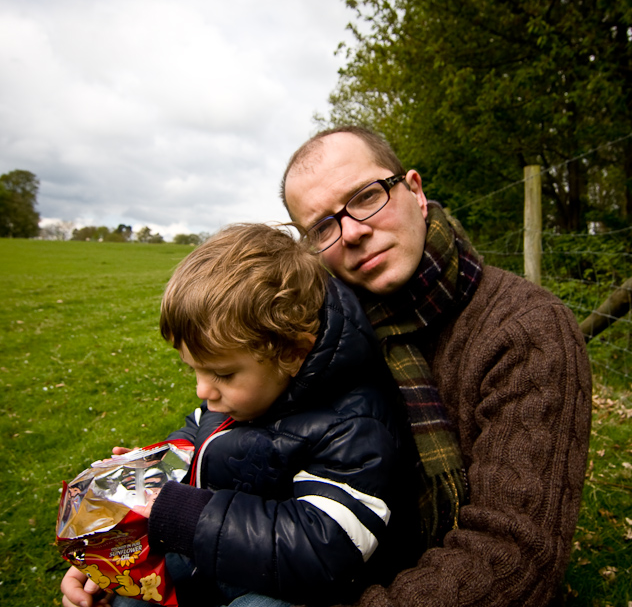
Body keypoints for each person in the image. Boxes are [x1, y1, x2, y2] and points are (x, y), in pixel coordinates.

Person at [280, 126, 593, 607]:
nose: (353, 232)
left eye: (366, 197)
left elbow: (512, 560)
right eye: (323, 226)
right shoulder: (323, 334)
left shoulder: (527, 330)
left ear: (416, 192)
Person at [61, 223, 423, 607]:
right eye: (193, 370)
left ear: (293, 353)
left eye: (223, 373)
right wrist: (149, 471)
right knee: (129, 595)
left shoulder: (353, 424)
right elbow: (197, 437)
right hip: (221, 557)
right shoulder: (244, 397)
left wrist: (186, 516)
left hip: (305, 587)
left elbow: (324, 546)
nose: (203, 391)